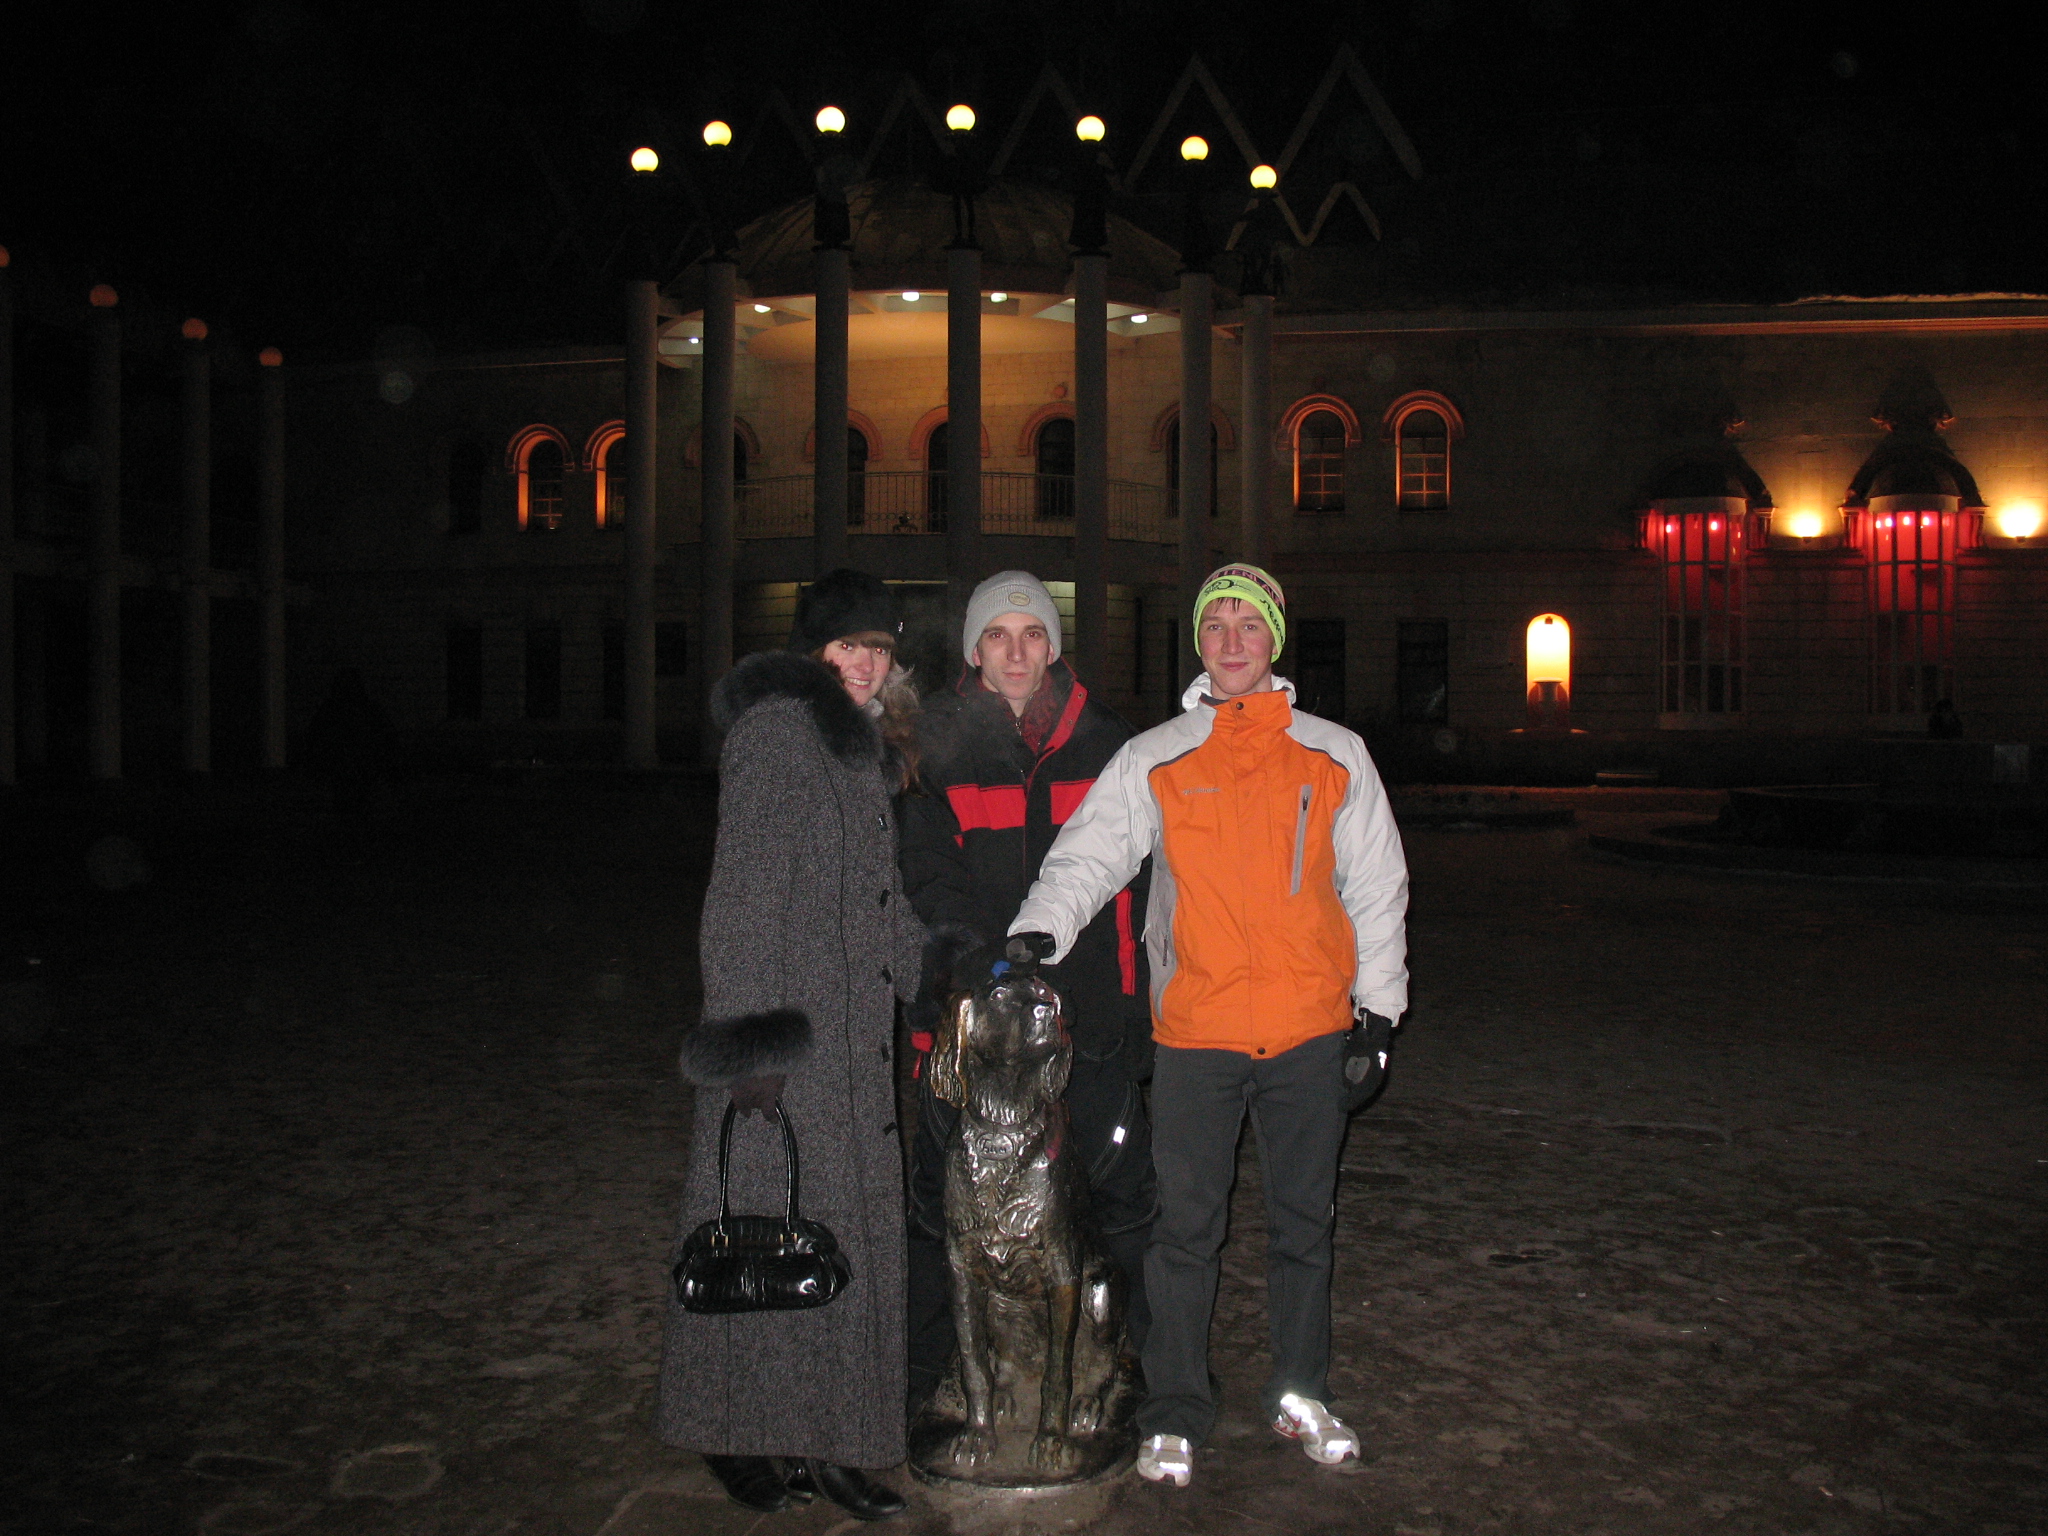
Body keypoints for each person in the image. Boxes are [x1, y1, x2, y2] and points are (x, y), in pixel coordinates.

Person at [1006, 563, 1409, 1489]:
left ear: (1274, 638)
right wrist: (1040, 925)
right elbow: (1092, 850)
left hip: (1310, 1030)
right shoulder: (1159, 755)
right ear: (1199, 641)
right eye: (1216, 624)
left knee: (1304, 1227)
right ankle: (1174, 1409)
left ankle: (1301, 1389)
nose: (1232, 640)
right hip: (1198, 1032)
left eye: (1249, 623)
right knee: (1185, 1233)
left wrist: (1378, 1015)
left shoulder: (1335, 753)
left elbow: (1377, 887)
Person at [658, 569, 929, 1522]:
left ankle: (834, 1440)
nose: (865, 663)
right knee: (754, 1242)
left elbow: (877, 897)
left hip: (850, 1048)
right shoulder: (778, 734)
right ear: (813, 649)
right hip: (785, 1050)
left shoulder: (856, 747)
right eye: (848, 645)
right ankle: (729, 1431)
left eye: (879, 648)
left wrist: (940, 969)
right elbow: (739, 896)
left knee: (835, 1252)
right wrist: (749, 1044)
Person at [896, 571, 1155, 1411]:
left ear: (1053, 647)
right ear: (974, 650)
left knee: (1115, 1198)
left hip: (1088, 1019)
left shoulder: (1105, 740)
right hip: (971, 1022)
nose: (1016, 653)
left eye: (1033, 634)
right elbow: (925, 871)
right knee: (945, 1207)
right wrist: (978, 963)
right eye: (998, 637)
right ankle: (928, 1370)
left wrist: (1130, 1003)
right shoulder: (934, 745)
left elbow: (1136, 889)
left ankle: (1131, 1362)